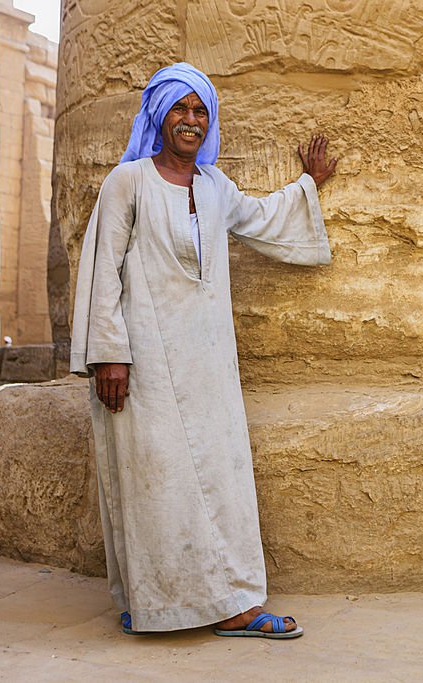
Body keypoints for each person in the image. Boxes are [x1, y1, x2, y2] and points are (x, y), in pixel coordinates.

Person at [69, 62, 337, 639]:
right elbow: (103, 271)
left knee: (221, 479)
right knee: (153, 478)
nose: (190, 121)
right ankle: (157, 599)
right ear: (158, 116)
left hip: (208, 364)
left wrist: (309, 185)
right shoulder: (129, 182)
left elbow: (263, 219)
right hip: (142, 365)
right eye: (180, 109)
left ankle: (234, 603)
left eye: (200, 112)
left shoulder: (216, 187)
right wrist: (108, 353)